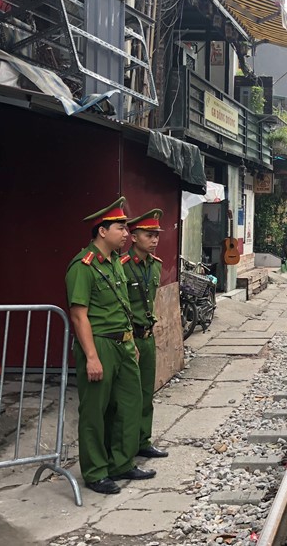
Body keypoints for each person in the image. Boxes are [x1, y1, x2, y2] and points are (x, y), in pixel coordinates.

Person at [66, 197, 155, 495]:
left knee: (129, 405)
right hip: (100, 345)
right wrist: (91, 356)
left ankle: (121, 462)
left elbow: (124, 306)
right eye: (121, 228)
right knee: (95, 410)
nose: (127, 233)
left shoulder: (116, 262)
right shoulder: (83, 266)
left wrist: (131, 339)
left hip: (125, 345)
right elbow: (79, 316)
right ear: (102, 231)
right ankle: (95, 472)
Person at [121, 209, 169, 460]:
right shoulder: (123, 267)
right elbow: (122, 306)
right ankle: (126, 446)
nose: (154, 240)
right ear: (133, 236)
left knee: (147, 393)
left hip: (148, 337)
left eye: (156, 235)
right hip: (131, 338)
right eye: (149, 235)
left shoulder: (155, 266)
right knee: (129, 395)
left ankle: (143, 440)